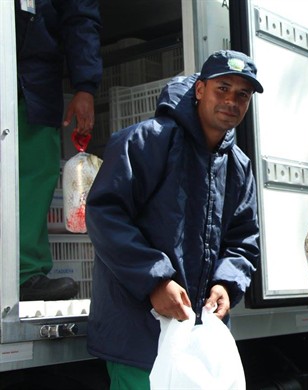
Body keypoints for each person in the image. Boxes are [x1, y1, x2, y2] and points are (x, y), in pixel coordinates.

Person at [85, 50, 263, 387]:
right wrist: (154, 280)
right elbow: (105, 214)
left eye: (243, 94)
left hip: (197, 345)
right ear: (199, 90)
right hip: (137, 338)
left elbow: (243, 240)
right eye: (222, 88)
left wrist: (226, 283)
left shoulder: (239, 166)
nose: (232, 101)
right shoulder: (145, 141)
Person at [16, 0, 102, 301]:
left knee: (34, 175)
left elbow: (81, 19)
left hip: (33, 84)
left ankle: (26, 275)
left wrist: (85, 86)